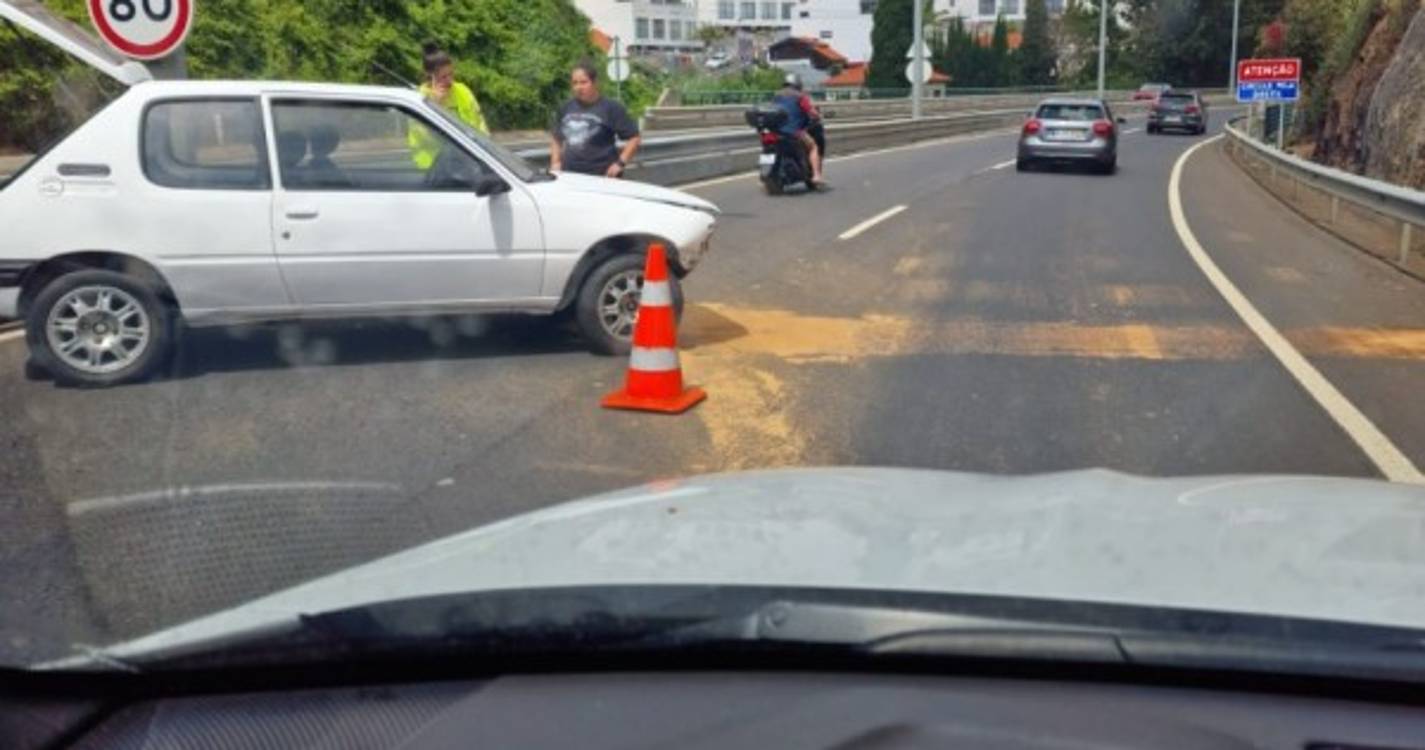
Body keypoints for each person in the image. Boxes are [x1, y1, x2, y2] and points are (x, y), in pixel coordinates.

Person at [549, 62, 642, 178]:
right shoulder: (565, 108)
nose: (578, 87)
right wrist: (555, 162)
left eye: (583, 82)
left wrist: (620, 163)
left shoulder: (611, 108)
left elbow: (635, 137)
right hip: (569, 175)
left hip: (602, 176)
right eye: (575, 83)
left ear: (595, 83)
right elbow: (556, 137)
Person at [410, 43, 488, 170]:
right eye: (443, 77)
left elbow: (481, 125)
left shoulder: (462, 90)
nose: (449, 80)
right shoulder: (420, 99)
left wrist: (486, 154)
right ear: (430, 76)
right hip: (432, 167)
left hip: (468, 161)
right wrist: (436, 106)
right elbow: (426, 137)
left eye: (451, 74)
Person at [771, 73, 824, 187]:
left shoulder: (776, 96)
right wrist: (818, 115)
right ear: (797, 84)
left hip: (777, 132)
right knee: (813, 147)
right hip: (795, 132)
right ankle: (816, 175)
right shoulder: (800, 96)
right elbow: (811, 112)